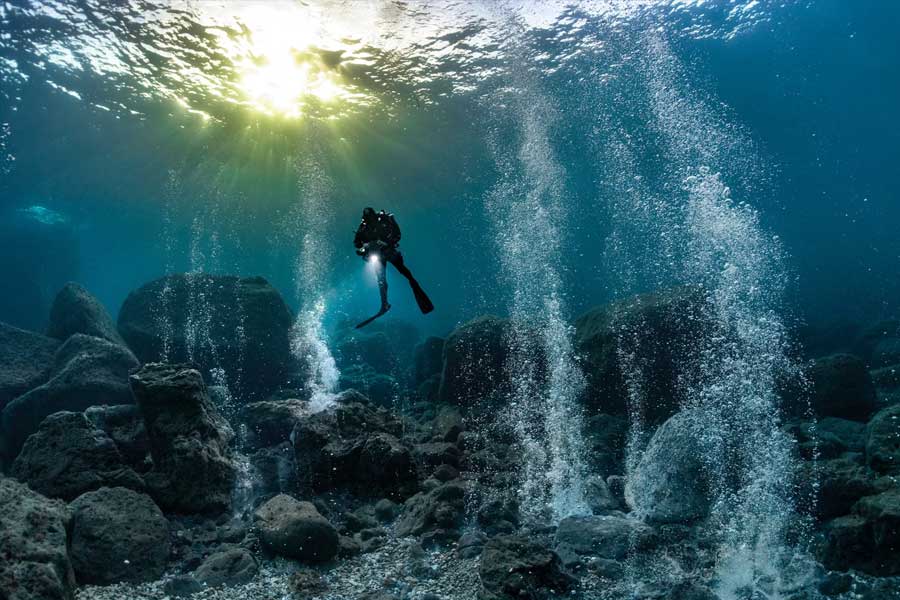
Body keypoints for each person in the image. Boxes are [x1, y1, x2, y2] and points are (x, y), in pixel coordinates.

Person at [354, 207, 433, 326]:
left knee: (404, 273)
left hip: (389, 251)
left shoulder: (384, 220)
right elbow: (357, 243)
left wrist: (386, 242)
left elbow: (397, 234)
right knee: (381, 280)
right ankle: (384, 304)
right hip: (377, 256)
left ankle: (419, 295)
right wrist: (365, 246)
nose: (369, 221)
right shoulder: (363, 226)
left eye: (371, 219)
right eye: (367, 219)